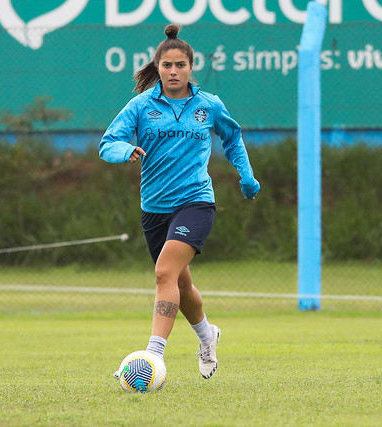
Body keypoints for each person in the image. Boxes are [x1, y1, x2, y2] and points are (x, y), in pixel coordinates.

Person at [101, 24, 260, 379]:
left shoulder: (208, 105)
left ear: (191, 67)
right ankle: (207, 334)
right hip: (154, 208)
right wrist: (125, 149)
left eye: (180, 65)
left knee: (163, 273)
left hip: (195, 202)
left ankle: (154, 354)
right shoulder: (141, 106)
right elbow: (107, 142)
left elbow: (233, 139)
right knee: (181, 284)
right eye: (167, 66)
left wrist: (246, 176)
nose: (173, 72)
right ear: (157, 67)